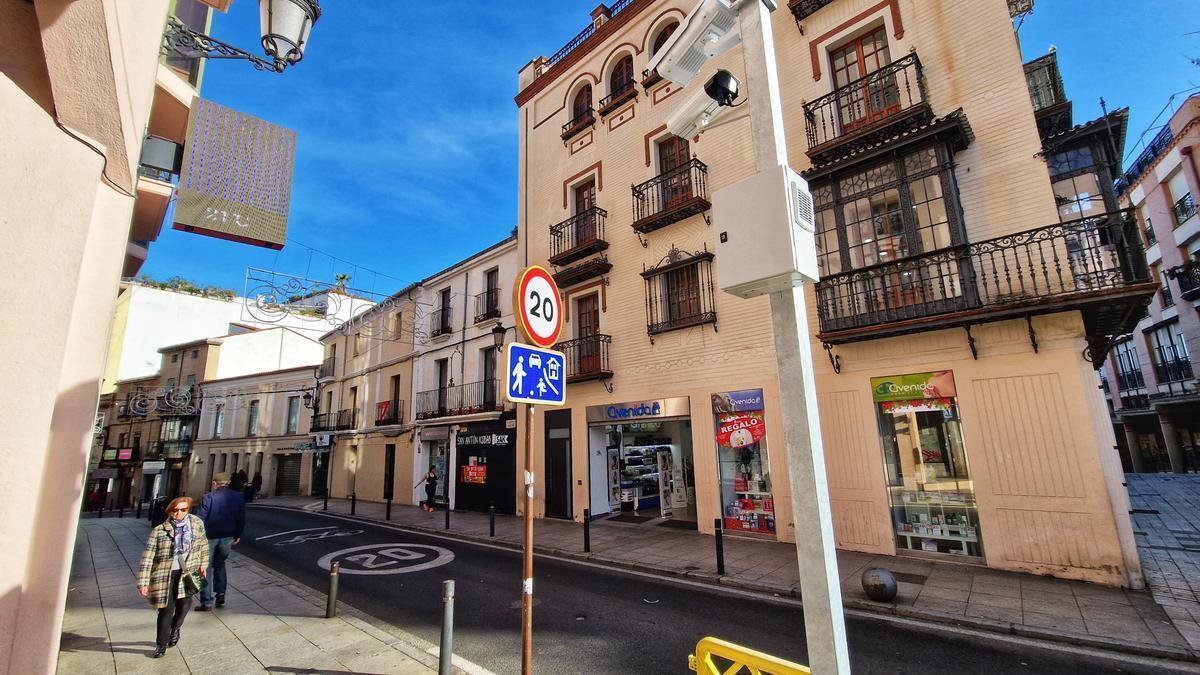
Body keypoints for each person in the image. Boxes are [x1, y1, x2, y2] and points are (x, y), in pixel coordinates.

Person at [137, 496, 209, 658]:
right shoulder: (159, 530)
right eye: (175, 510)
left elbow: (203, 544)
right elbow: (148, 557)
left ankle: (176, 628)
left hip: (189, 570)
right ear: (169, 511)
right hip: (165, 573)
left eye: (183, 510)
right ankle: (160, 645)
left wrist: (203, 564)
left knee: (185, 604)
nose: (179, 513)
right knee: (165, 610)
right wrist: (143, 582)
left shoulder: (196, 524)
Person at [195, 472, 245, 611]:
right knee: (220, 563)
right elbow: (241, 517)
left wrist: (196, 537)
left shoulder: (208, 497)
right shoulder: (238, 497)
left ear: (215, 484)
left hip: (209, 536)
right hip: (228, 536)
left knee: (204, 567)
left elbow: (200, 519)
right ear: (228, 483)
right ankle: (221, 593)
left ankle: (206, 602)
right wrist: (238, 534)